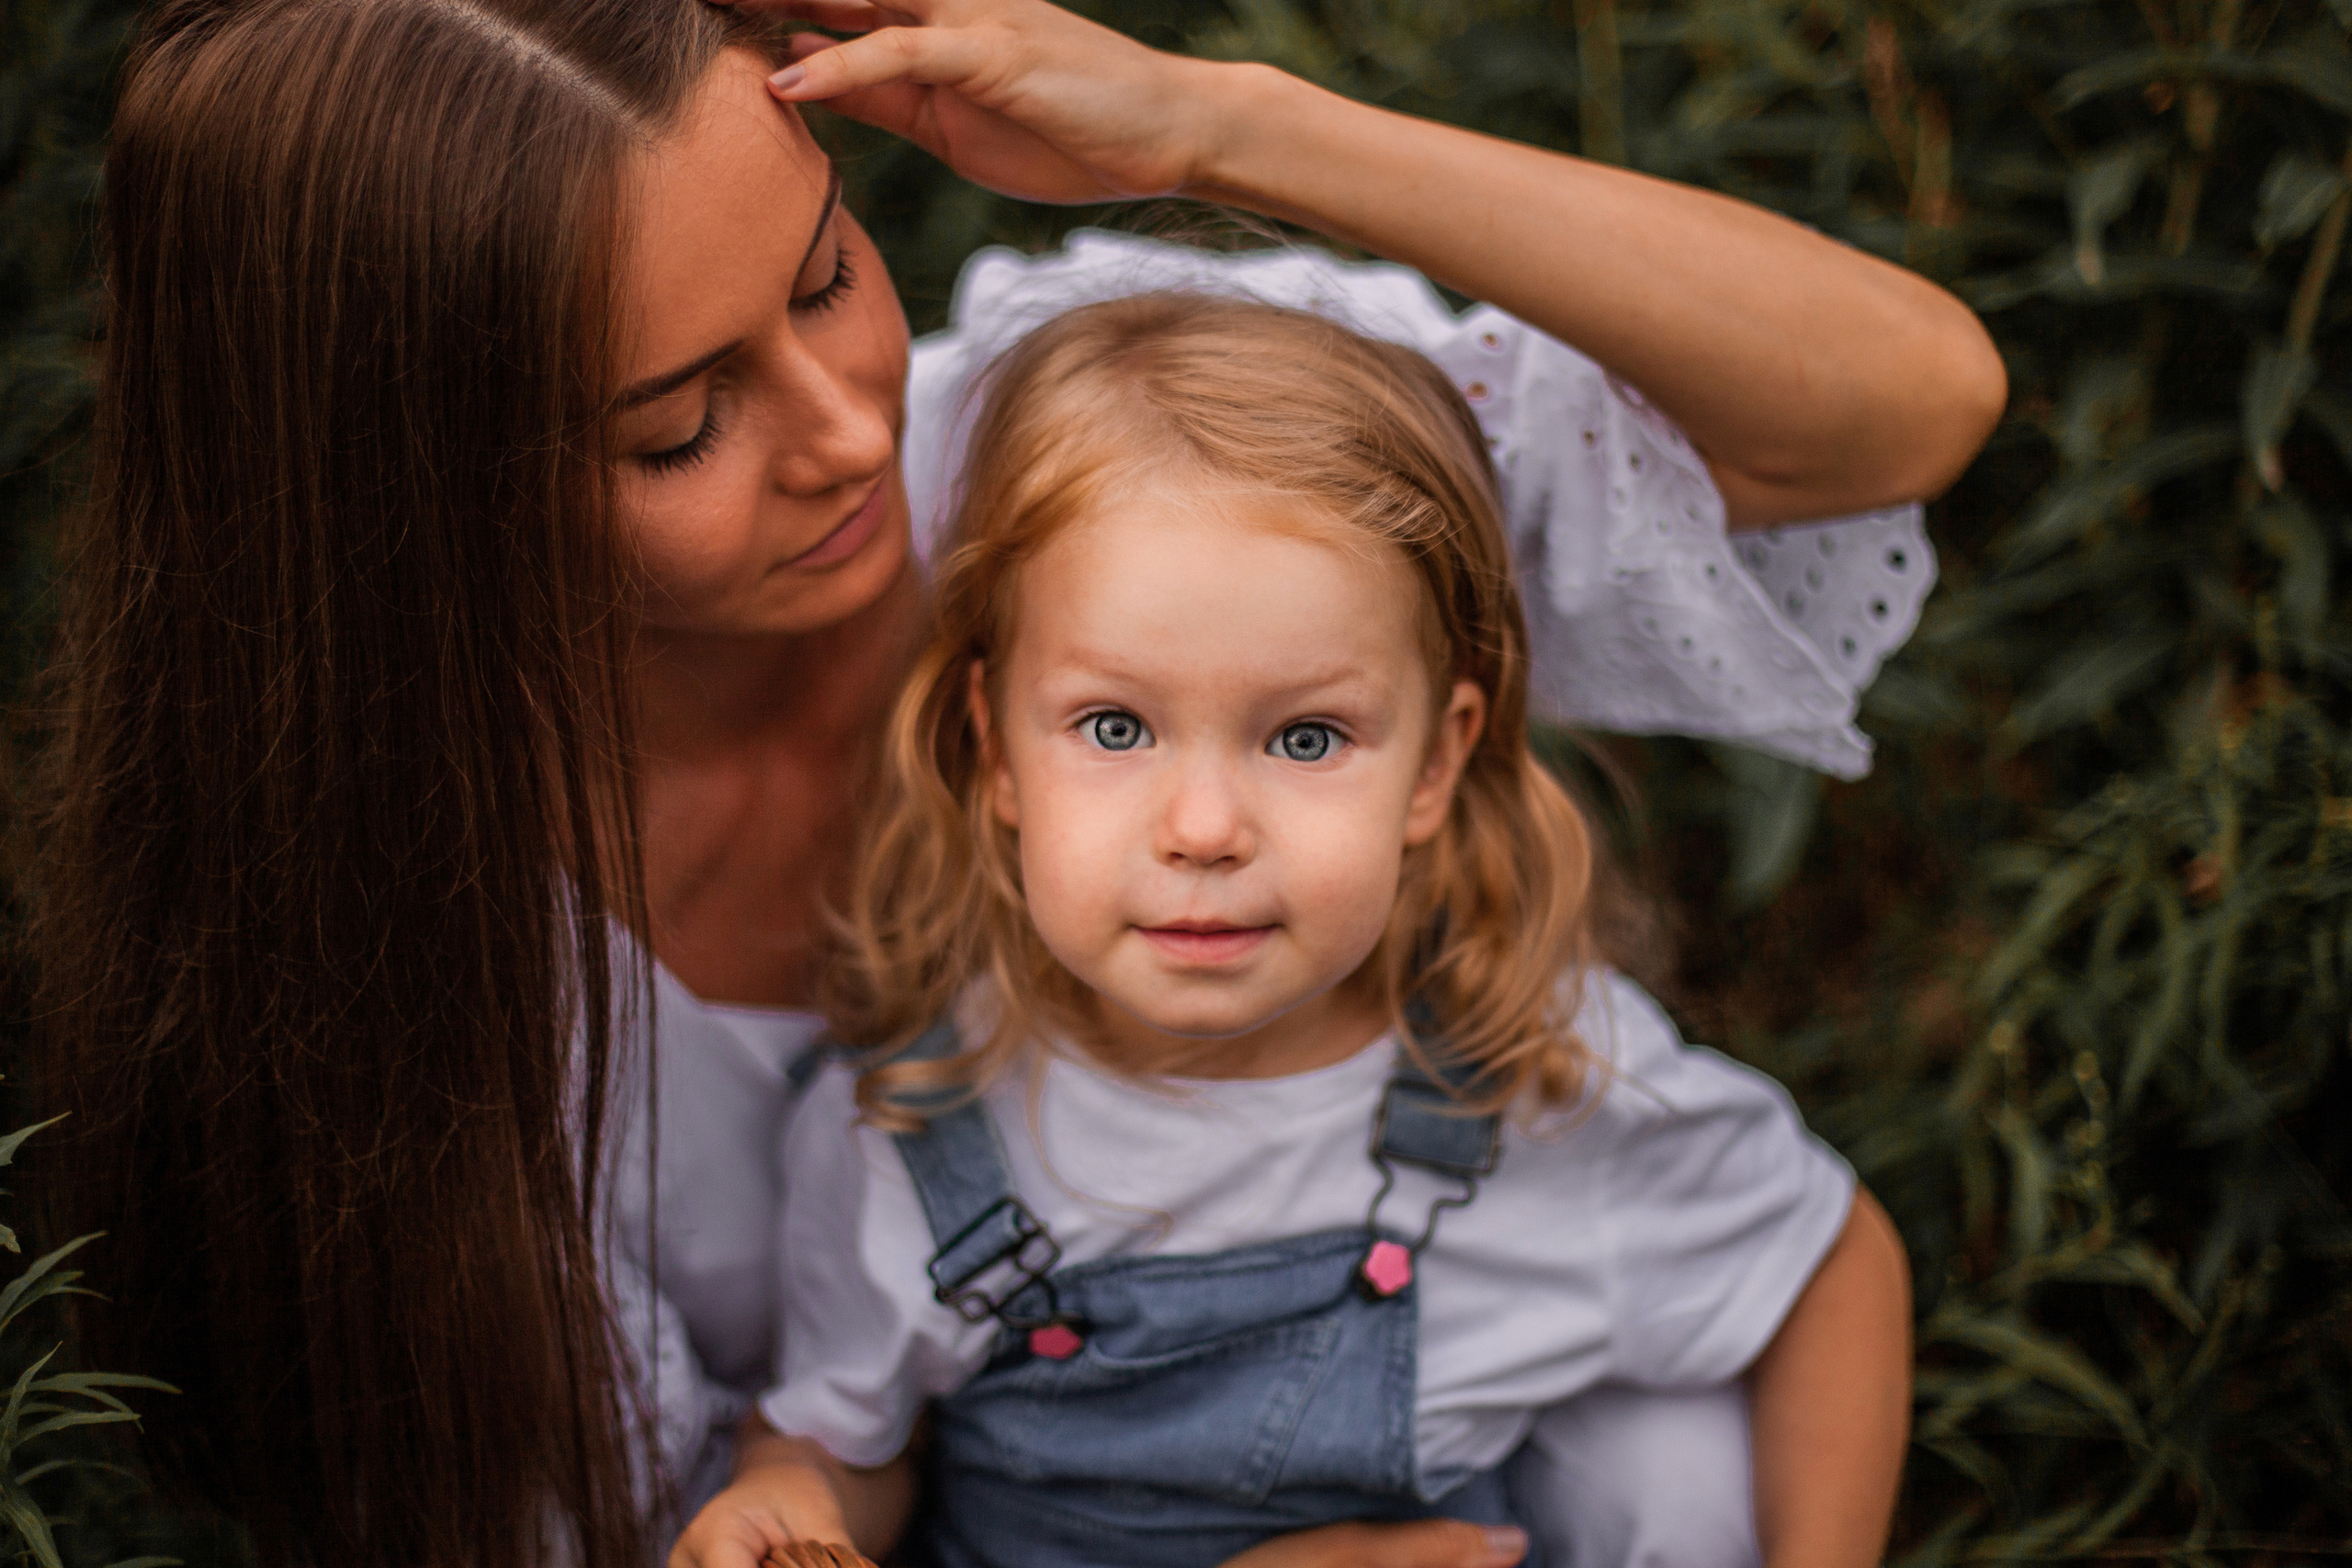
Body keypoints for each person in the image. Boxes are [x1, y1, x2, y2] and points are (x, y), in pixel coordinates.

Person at [32, 0, 1997, 1564]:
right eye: (677, 422)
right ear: (402, 496)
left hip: (1465, 1444)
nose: (840, 434)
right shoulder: (387, 979)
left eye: (821, 277)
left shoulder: (1084, 451)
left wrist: (1222, 125)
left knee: (1674, 1455)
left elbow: (1896, 407)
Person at [666, 294, 1913, 1568]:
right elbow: (843, 1437)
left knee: (1686, 1466)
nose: (1204, 826)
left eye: (1305, 737)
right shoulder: (915, 1125)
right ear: (995, 753)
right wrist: (795, 1504)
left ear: (1436, 765)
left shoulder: (1532, 1084)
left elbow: (1827, 1264)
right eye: (1113, 727)